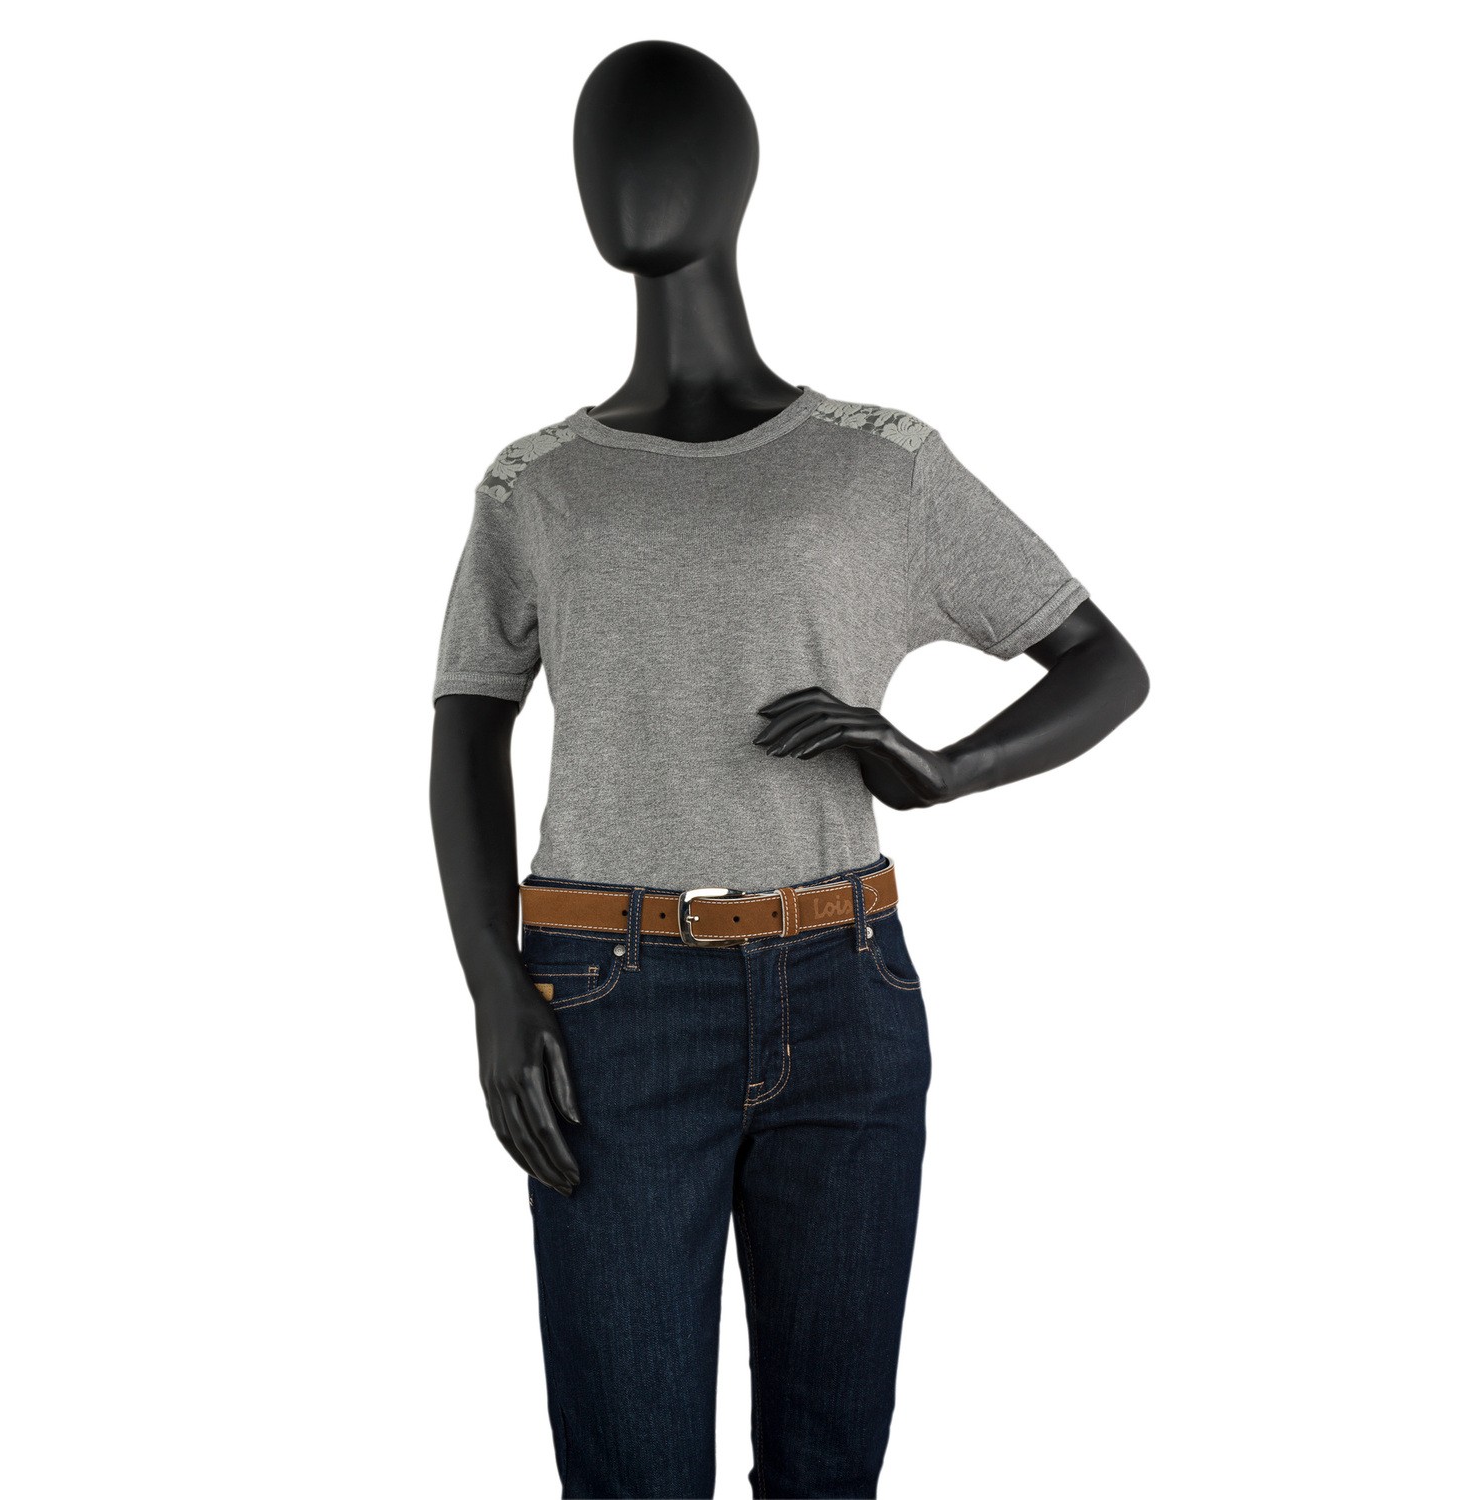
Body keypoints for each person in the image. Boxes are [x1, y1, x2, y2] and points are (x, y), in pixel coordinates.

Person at [429, 40, 1149, 1500]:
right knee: (633, 1468)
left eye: (658, 145)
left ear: (737, 178)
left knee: (829, 1468)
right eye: (598, 151)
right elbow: (464, 726)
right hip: (609, 1002)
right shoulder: (539, 483)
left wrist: (944, 769)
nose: (623, 181)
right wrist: (495, 984)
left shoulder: (879, 465)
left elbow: (1104, 665)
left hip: (846, 991)